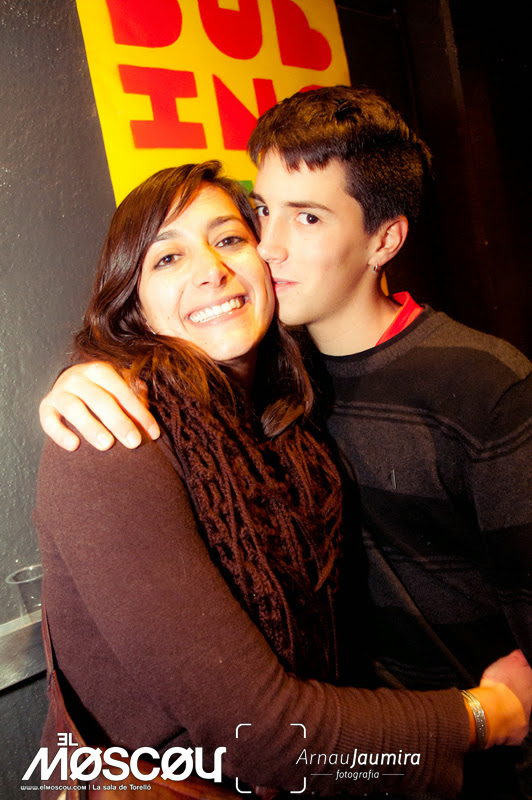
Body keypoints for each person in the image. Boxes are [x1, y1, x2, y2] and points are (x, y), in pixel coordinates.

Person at [39, 88, 532, 796]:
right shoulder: (116, 429)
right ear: (133, 300)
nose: (257, 251)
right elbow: (264, 737)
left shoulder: (293, 403)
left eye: (230, 237)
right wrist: (483, 717)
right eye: (166, 259)